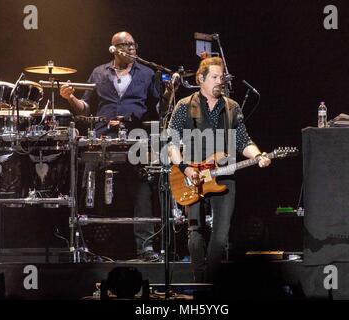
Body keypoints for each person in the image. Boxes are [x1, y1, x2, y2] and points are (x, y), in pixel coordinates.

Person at [60, 31, 172, 261]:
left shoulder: (147, 73)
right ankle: (88, 246)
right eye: (125, 45)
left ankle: (146, 247)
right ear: (113, 49)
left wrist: (169, 93)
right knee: (89, 186)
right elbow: (86, 108)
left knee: (143, 187)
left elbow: (161, 109)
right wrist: (70, 98)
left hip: (135, 136)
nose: (131, 49)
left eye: (133, 44)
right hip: (103, 136)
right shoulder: (99, 73)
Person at [167, 57, 271, 283]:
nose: (219, 81)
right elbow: (171, 142)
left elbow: (244, 141)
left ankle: (209, 282)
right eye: (214, 77)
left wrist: (259, 155)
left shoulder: (231, 107)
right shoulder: (184, 105)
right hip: (191, 175)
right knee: (195, 233)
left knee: (221, 235)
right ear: (200, 79)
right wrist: (184, 168)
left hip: (223, 175)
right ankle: (199, 277)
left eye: (221, 77)